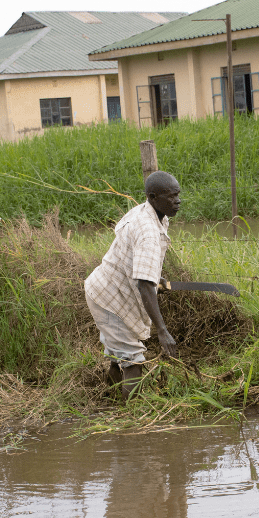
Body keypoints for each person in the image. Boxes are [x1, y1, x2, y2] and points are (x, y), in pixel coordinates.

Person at [85, 170, 181, 400]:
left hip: (104, 287)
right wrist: (163, 331)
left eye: (178, 195)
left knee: (119, 354)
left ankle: (111, 401)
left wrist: (153, 276)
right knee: (133, 362)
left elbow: (130, 255)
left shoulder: (150, 213)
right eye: (171, 197)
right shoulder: (147, 231)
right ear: (153, 197)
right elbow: (143, 286)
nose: (177, 201)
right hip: (109, 297)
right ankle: (131, 421)